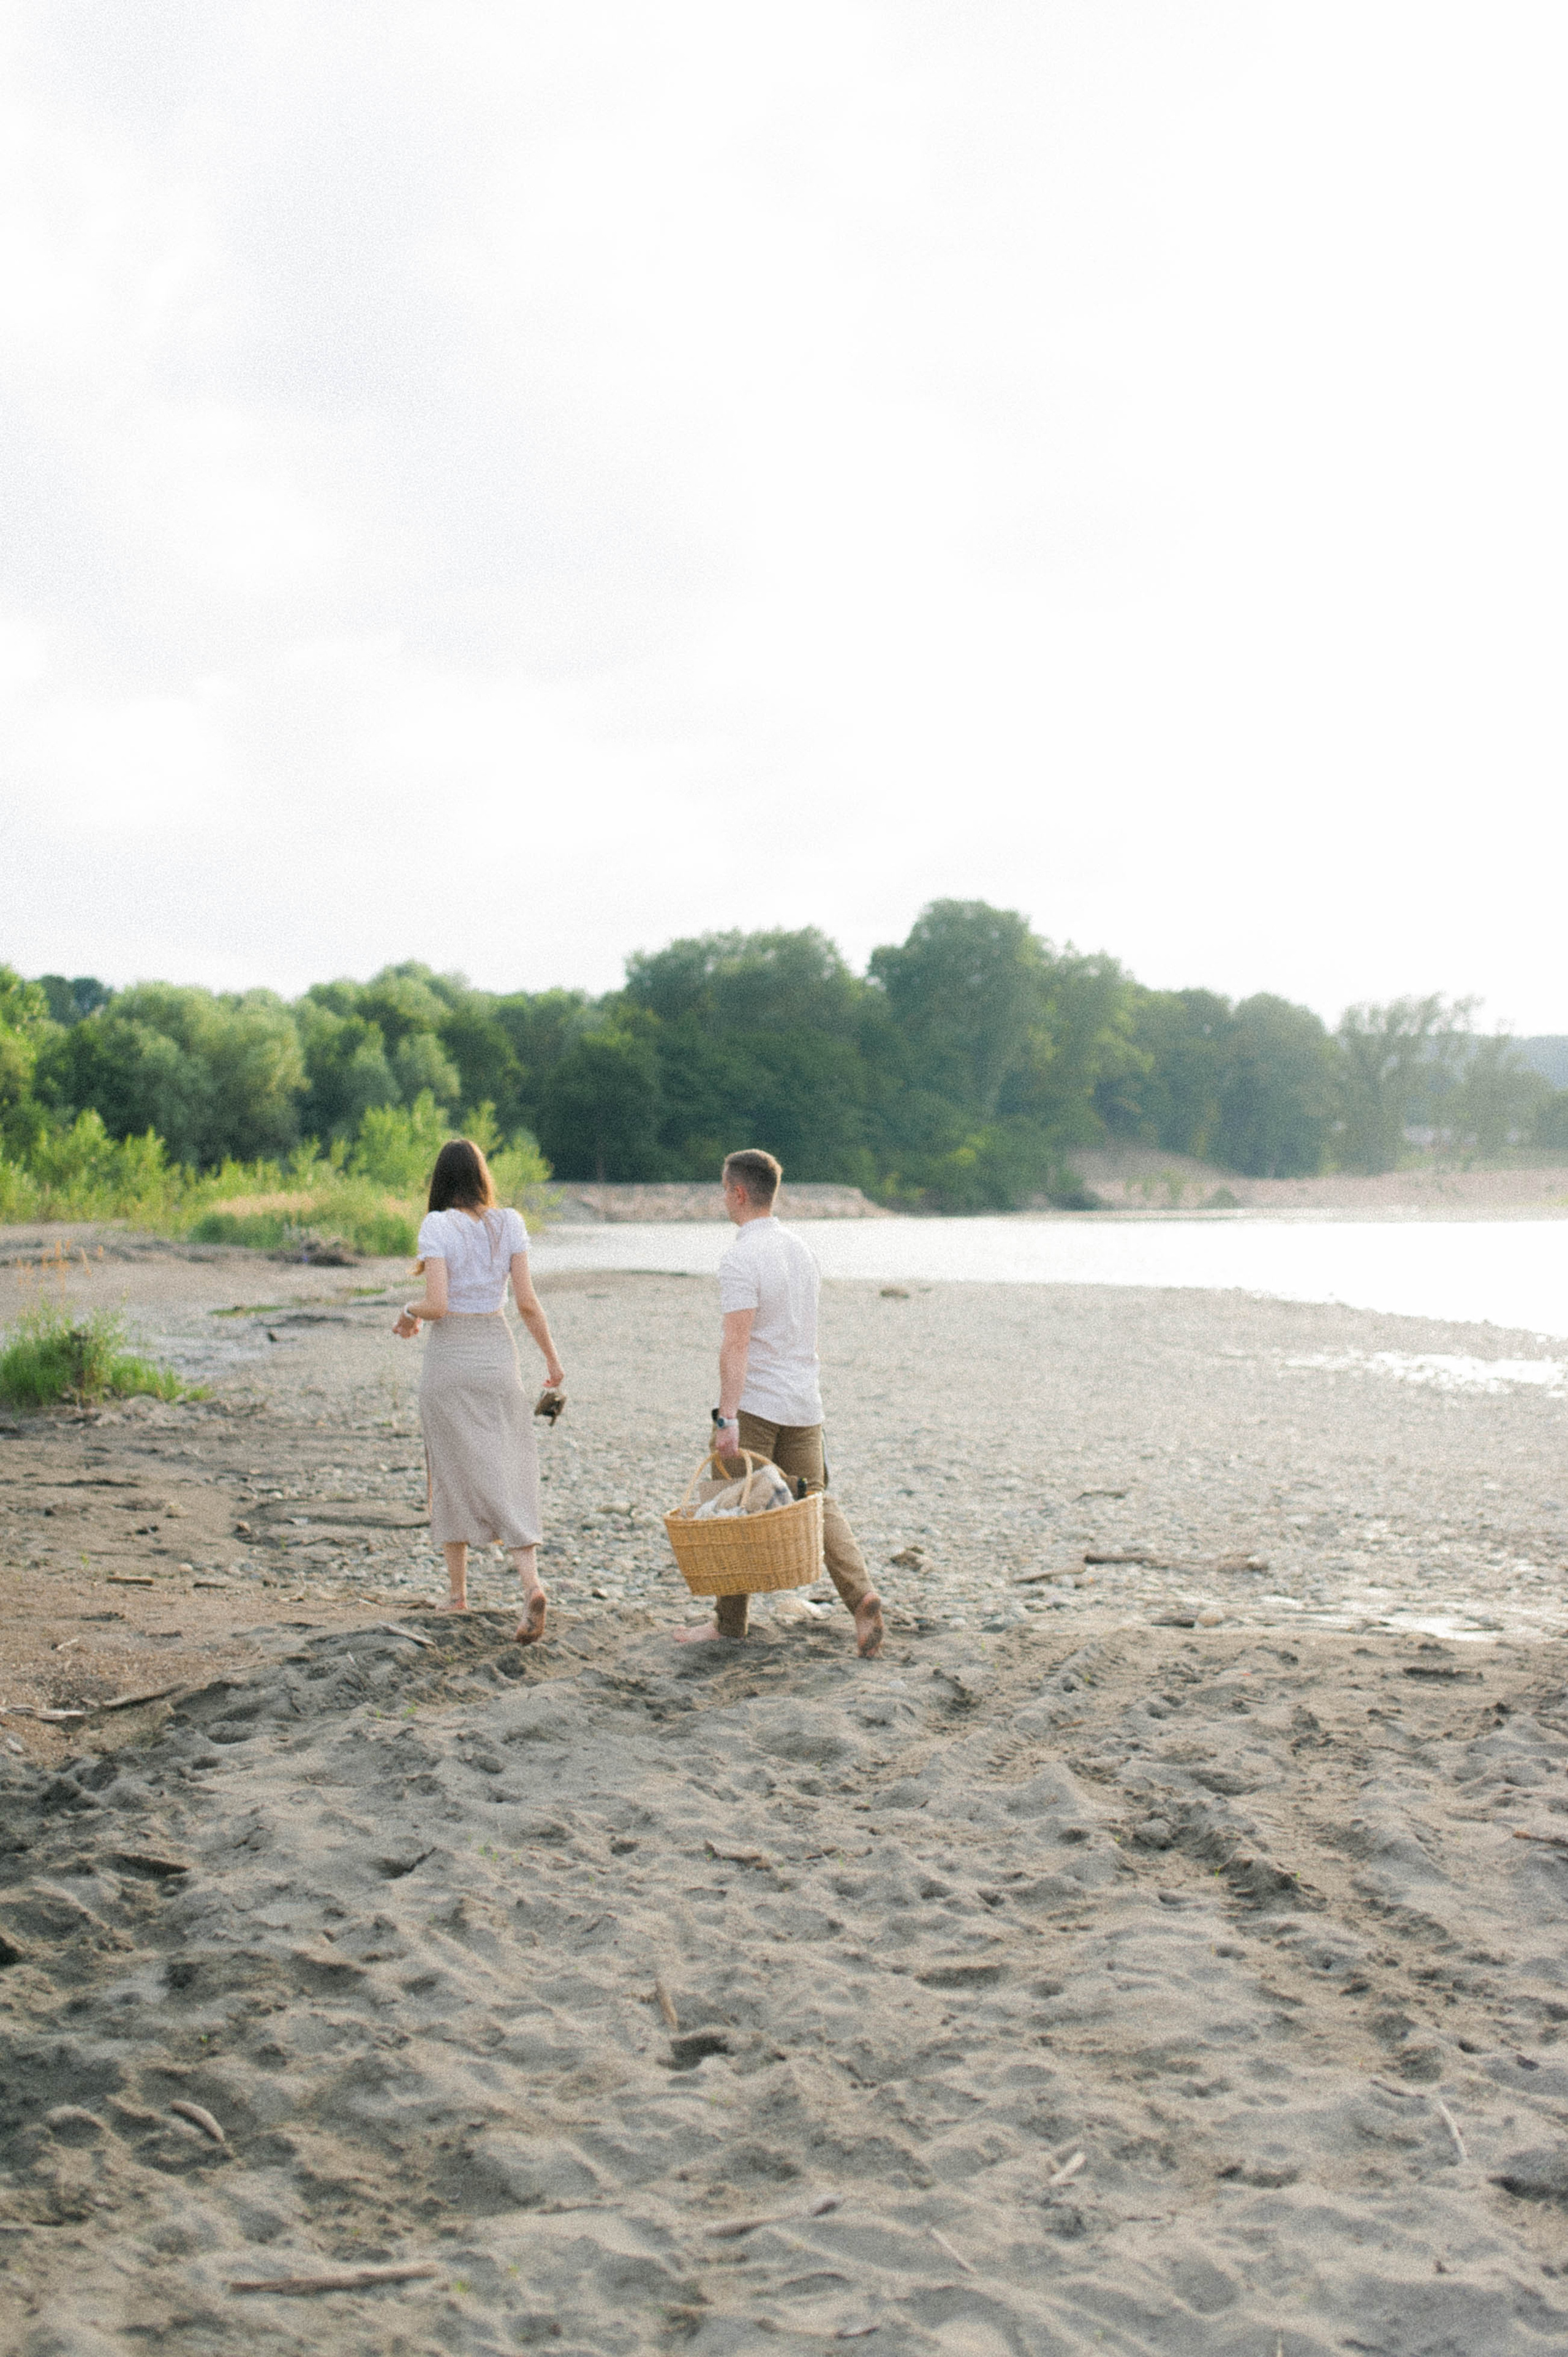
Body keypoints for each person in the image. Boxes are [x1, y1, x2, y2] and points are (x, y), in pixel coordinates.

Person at [677, 1148, 883, 1657]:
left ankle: (729, 1624)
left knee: (732, 1509)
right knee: (816, 1503)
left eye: (725, 1189)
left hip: (759, 1405)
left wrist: (727, 1417)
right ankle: (861, 1599)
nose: (723, 1198)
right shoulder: (801, 1250)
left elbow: (737, 1344)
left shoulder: (741, 1257)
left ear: (739, 1193)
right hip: (805, 1402)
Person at [393, 1138, 565, 1643]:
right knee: (508, 1465)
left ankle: (457, 1594)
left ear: (440, 1181)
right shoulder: (509, 1222)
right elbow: (528, 1303)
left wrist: (407, 1311)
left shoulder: (437, 1225)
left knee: (449, 1468)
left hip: (450, 1360)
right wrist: (553, 1361)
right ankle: (531, 1581)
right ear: (482, 1177)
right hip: (497, 1351)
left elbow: (438, 1304)